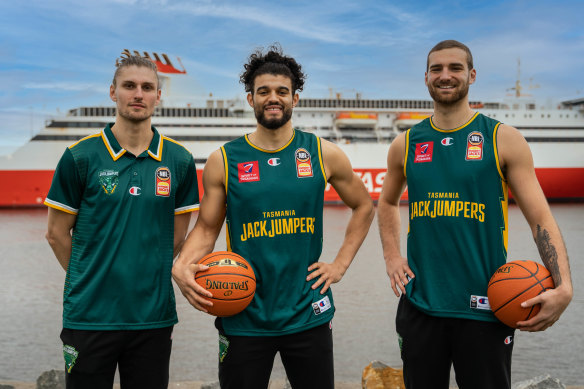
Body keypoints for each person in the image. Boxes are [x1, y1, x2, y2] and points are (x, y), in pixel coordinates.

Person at [172, 44, 374, 389]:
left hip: (307, 309)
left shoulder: (323, 153)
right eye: (263, 91)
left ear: (296, 98)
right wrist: (181, 265)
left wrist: (339, 265)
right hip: (243, 309)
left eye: (282, 91)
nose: (273, 98)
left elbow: (364, 205)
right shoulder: (225, 159)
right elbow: (207, 227)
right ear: (250, 99)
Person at [377, 40, 573, 389]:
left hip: (488, 305)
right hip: (420, 305)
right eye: (436, 69)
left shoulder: (503, 139)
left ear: (472, 75)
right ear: (426, 77)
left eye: (455, 68)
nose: (445, 75)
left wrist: (565, 287)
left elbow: (540, 219)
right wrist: (392, 256)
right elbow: (387, 203)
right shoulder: (405, 144)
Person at [44, 53, 199, 389]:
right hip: (89, 315)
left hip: (152, 315)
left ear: (159, 95)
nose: (138, 94)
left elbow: (177, 238)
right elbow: (56, 235)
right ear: (113, 92)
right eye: (129, 86)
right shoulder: (80, 156)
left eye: (147, 87)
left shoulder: (180, 160)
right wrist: (91, 279)